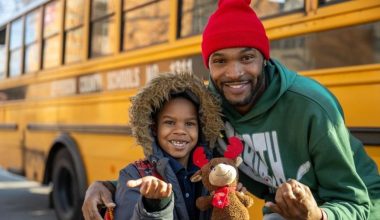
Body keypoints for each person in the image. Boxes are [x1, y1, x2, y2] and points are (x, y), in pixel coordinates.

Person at [82, 0, 380, 219]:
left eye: (247, 57)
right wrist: (108, 185)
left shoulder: (312, 106)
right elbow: (183, 165)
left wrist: (317, 216)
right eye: (220, 61)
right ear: (208, 65)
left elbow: (357, 201)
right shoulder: (210, 109)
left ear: (264, 58)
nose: (234, 73)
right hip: (283, 210)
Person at [97, 72, 223, 220]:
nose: (180, 131)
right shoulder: (134, 175)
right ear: (154, 128)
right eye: (169, 122)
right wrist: (154, 206)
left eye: (189, 124)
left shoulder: (215, 172)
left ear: (201, 129)